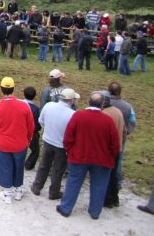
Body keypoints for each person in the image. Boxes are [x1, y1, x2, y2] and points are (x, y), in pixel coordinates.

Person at [56, 92, 120, 220]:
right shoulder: (108, 121)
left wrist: (71, 151)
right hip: (101, 160)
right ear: (102, 105)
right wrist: (110, 156)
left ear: (88, 102)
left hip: (79, 157)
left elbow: (68, 138)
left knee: (73, 182)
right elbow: (115, 144)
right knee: (99, 185)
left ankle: (66, 208)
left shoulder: (78, 116)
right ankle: (95, 212)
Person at [0, 77, 35, 204]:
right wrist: (27, 140)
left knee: (5, 167)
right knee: (19, 166)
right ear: (13, 89)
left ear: (1, 89)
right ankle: (19, 190)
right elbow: (30, 126)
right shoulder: (24, 105)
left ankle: (7, 193)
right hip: (21, 143)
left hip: (3, 144)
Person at [31, 87, 79, 200]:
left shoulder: (49, 106)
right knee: (58, 169)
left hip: (47, 140)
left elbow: (41, 121)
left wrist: (48, 130)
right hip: (62, 146)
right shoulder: (72, 114)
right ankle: (54, 192)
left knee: (44, 165)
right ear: (71, 100)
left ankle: (37, 186)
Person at [98, 91, 124, 208]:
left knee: (105, 175)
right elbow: (125, 131)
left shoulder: (103, 115)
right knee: (113, 174)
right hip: (117, 147)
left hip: (107, 149)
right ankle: (115, 198)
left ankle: (107, 200)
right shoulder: (118, 111)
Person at [108, 81, 136, 191]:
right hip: (120, 137)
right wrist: (126, 133)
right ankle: (117, 182)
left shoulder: (103, 102)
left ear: (108, 90)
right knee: (118, 161)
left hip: (104, 136)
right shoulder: (128, 106)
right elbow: (132, 122)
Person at [23, 87, 41, 170]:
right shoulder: (36, 109)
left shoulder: (19, 104)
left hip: (19, 130)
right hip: (31, 132)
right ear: (34, 96)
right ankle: (28, 165)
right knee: (36, 150)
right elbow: (37, 124)